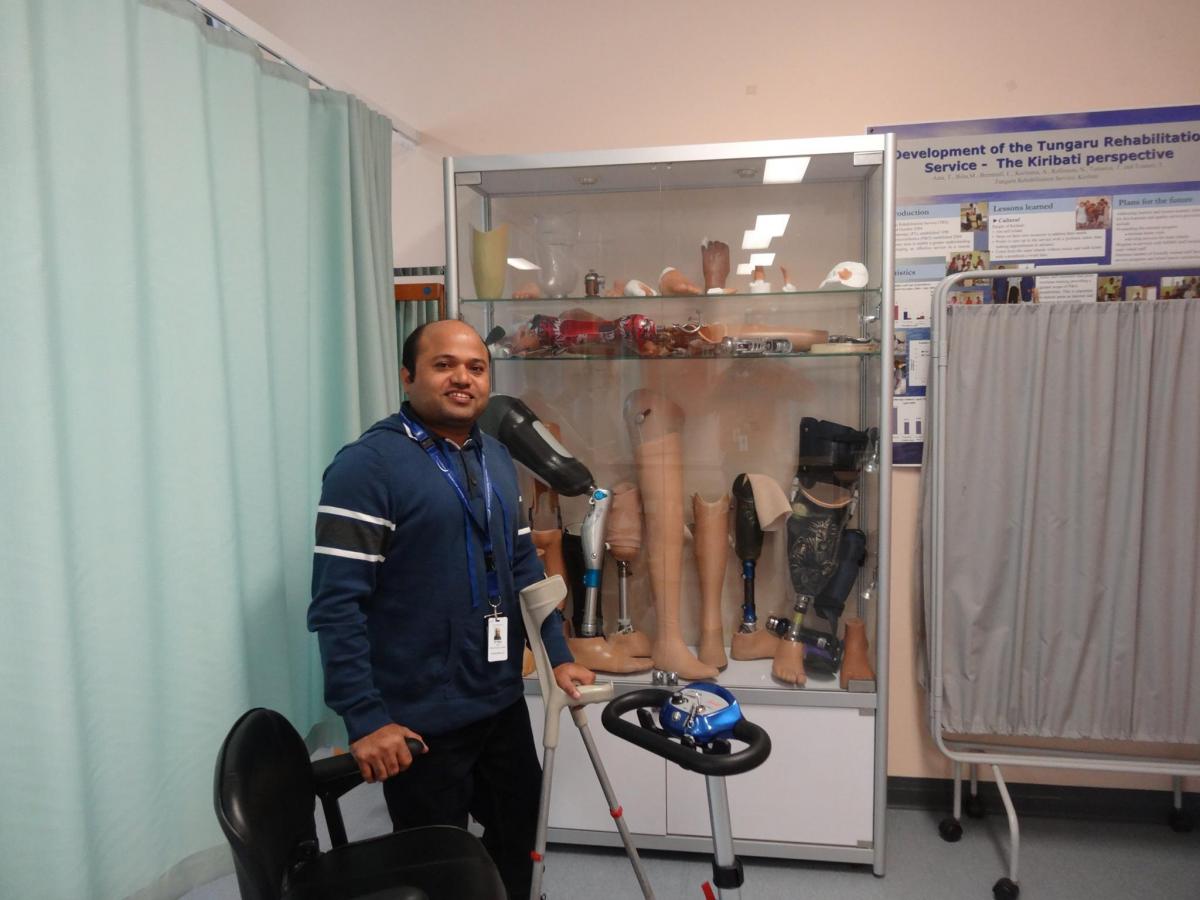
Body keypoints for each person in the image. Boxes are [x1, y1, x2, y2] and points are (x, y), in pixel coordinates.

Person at [308, 319, 594, 899]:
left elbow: (521, 568)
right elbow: (337, 605)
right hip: (419, 715)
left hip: (497, 698)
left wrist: (558, 656)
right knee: (440, 866)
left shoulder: (494, 456)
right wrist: (365, 719)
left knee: (520, 834)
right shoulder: (366, 466)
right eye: (444, 365)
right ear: (408, 377)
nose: (462, 378)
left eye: (476, 367)